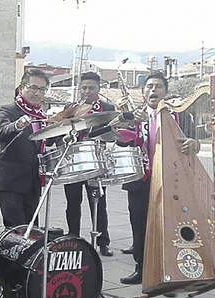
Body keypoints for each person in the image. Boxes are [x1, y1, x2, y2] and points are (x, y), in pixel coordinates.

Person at [120, 72, 199, 284]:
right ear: (143, 92)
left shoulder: (180, 115)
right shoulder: (133, 115)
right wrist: (126, 124)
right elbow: (119, 141)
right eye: (149, 86)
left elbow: (194, 142)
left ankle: (170, 272)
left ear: (166, 92)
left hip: (170, 181)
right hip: (140, 180)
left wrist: (194, 143)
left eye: (158, 86)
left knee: (170, 227)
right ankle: (141, 269)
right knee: (139, 225)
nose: (153, 90)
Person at [62, 72, 114, 257]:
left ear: (99, 89)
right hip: (75, 163)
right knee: (73, 203)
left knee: (99, 204)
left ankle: (103, 242)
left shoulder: (108, 108)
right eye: (84, 87)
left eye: (91, 88)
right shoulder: (71, 107)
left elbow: (113, 134)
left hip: (96, 163)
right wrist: (65, 137)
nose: (87, 91)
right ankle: (73, 237)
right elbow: (61, 133)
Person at [0, 69, 49, 228]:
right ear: (21, 88)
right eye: (32, 87)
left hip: (32, 183)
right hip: (11, 182)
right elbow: (0, 133)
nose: (37, 93)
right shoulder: (9, 110)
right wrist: (17, 125)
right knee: (15, 231)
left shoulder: (41, 116)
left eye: (42, 89)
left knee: (31, 230)